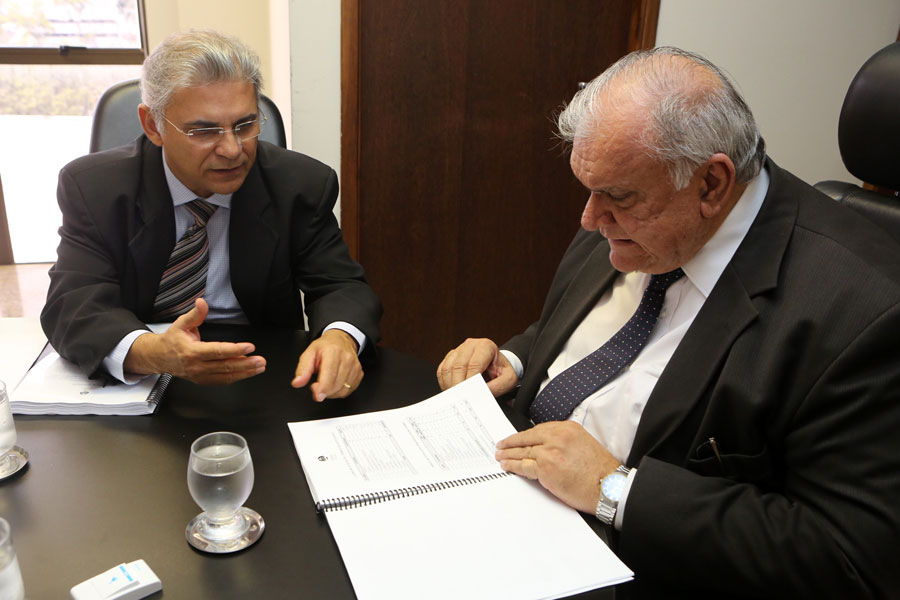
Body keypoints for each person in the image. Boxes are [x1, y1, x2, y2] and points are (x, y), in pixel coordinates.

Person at [437, 47, 900, 598]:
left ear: (711, 185)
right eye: (590, 190)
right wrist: (515, 359)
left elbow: (847, 559)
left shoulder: (866, 315)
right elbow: (582, 333)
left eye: (616, 197)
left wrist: (616, 490)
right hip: (505, 503)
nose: (590, 219)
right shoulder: (633, 209)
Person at [41, 30, 381, 401]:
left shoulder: (300, 185)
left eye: (245, 125)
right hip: (145, 376)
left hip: (262, 372)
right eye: (204, 130)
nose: (232, 150)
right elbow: (73, 303)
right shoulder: (94, 188)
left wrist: (340, 337)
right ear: (153, 125)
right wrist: (154, 353)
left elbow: (340, 285)